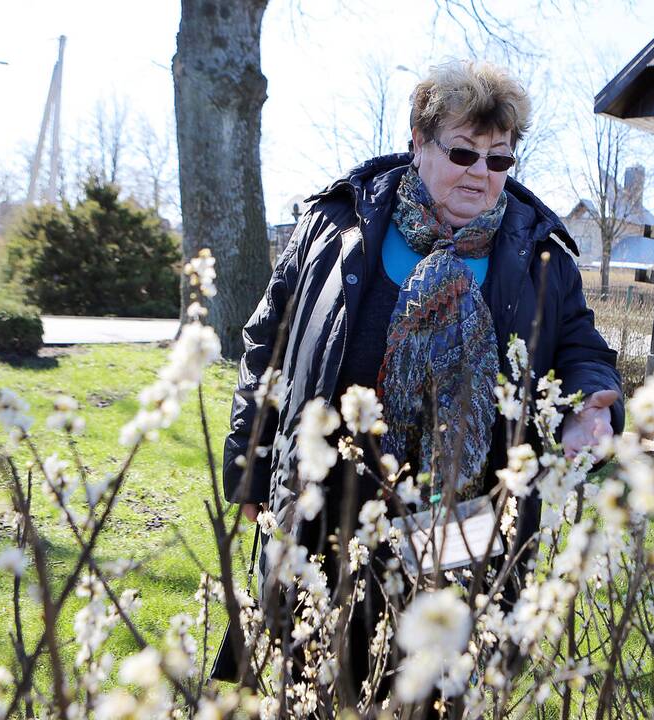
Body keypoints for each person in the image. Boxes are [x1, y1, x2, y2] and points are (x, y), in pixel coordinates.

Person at [220, 59, 623, 692]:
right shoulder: (337, 226)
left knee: (430, 692)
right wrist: (248, 466)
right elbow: (266, 347)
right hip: (326, 507)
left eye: (499, 160)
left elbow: (581, 349)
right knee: (309, 679)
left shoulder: (538, 251)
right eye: (464, 152)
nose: (480, 174)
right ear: (418, 142)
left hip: (461, 524)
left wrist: (592, 406)